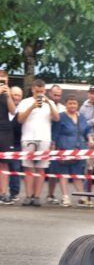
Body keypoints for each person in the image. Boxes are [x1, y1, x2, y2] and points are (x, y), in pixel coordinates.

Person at [17, 78, 60, 206]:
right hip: (28, 137)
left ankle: (37, 196)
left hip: (44, 138)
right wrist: (32, 106)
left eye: (41, 91)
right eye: (37, 91)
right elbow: (20, 119)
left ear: (45, 91)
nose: (39, 94)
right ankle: (28, 195)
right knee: (28, 168)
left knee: (41, 169)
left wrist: (49, 104)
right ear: (33, 90)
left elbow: (56, 118)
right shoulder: (25, 102)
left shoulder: (50, 102)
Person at [52, 96, 92, 207]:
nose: (72, 106)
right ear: (66, 105)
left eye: (74, 103)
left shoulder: (81, 117)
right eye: (70, 103)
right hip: (63, 150)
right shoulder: (61, 117)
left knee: (77, 175)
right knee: (63, 174)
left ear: (77, 105)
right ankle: (65, 197)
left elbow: (86, 131)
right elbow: (54, 134)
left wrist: (90, 138)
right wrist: (53, 149)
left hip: (78, 151)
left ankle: (82, 197)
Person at [45, 84, 66, 204]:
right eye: (55, 94)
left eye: (59, 95)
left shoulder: (63, 108)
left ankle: (51, 194)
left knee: (56, 170)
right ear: (49, 94)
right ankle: (48, 194)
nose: (57, 97)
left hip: (59, 142)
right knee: (47, 170)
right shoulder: (45, 106)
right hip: (47, 139)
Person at [0, 70, 16, 205]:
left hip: (5, 131)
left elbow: (13, 111)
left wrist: (9, 95)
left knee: (4, 163)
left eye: (4, 80)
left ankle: (4, 193)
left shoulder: (7, 94)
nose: (3, 83)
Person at [8, 86, 23, 201]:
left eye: (18, 95)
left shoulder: (22, 109)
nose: (16, 97)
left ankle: (14, 192)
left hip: (16, 142)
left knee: (15, 168)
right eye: (14, 94)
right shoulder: (3, 106)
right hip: (3, 140)